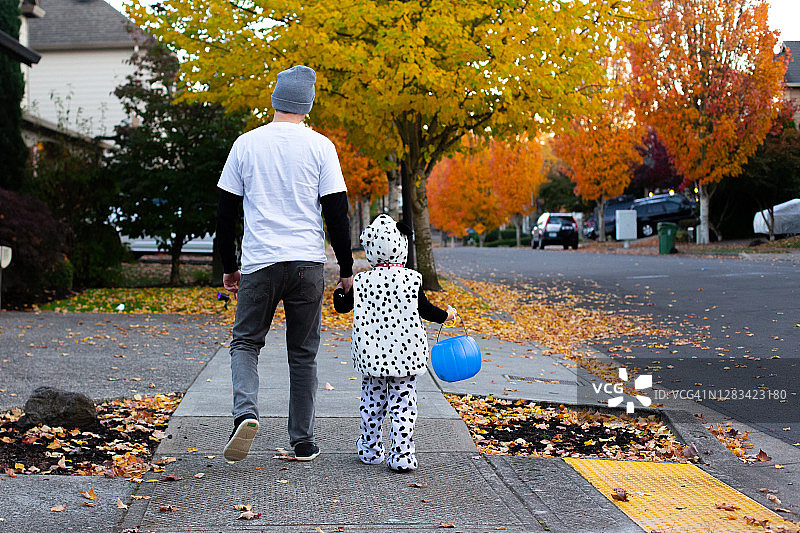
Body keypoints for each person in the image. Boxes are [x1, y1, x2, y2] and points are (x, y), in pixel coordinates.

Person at [215, 65, 353, 462]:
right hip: (307, 265)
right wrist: (345, 269)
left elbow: (225, 215)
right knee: (304, 352)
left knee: (245, 342)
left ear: (275, 99)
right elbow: (337, 214)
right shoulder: (321, 147)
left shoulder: (246, 144)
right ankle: (303, 440)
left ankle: (245, 413)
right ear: (307, 105)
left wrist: (229, 265)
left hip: (260, 263)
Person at [333, 214, 456, 471]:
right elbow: (427, 310)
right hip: (405, 356)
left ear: (370, 248)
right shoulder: (412, 279)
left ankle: (369, 449)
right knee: (403, 405)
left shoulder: (362, 281)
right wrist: (447, 315)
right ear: (401, 244)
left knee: (372, 402)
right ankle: (401, 455)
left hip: (372, 356)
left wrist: (337, 290)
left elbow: (342, 306)